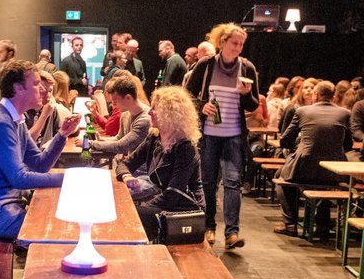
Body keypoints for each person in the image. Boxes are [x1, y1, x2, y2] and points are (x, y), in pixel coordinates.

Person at [0, 60, 81, 240]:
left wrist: (62, 135)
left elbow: (40, 165)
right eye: (35, 84)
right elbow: (18, 178)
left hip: (3, 207)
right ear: (18, 88)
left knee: (58, 224)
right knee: (55, 230)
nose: (42, 89)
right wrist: (70, 179)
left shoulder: (14, 119)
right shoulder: (0, 122)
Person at [185, 23, 260, 248]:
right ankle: (209, 227)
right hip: (209, 133)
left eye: (241, 44)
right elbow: (187, 94)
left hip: (235, 135)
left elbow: (254, 104)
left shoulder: (247, 68)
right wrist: (202, 106)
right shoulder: (206, 65)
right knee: (208, 182)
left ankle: (232, 233)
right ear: (222, 43)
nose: (238, 48)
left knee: (232, 182)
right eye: (234, 43)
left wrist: (246, 96)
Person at [116, 86, 204, 241]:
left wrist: (140, 208)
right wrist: (127, 176)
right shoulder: (154, 138)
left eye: (155, 109)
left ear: (170, 114)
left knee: (128, 217)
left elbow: (173, 195)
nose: (149, 112)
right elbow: (124, 164)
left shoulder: (186, 148)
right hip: (167, 204)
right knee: (125, 212)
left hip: (186, 211)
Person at [273, 81, 351, 237]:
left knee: (280, 177)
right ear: (334, 96)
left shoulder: (303, 111)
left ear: (316, 94)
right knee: (325, 185)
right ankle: (322, 225)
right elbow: (348, 143)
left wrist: (298, 145)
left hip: (304, 167)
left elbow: (285, 140)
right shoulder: (345, 113)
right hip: (334, 171)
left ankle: (290, 223)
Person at [91, 74, 151, 157]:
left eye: (115, 101)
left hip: (140, 169)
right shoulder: (125, 114)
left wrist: (90, 143)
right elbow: (119, 138)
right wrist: (101, 140)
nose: (113, 105)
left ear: (128, 98)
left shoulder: (145, 119)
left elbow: (121, 146)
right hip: (129, 165)